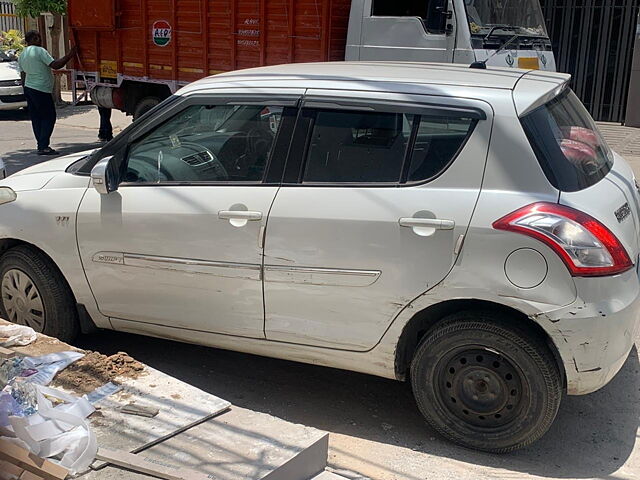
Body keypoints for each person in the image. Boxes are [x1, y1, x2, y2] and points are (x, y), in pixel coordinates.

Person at [18, 30, 77, 155]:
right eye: (38, 38)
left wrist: (25, 90)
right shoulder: (40, 51)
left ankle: (41, 144)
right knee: (49, 117)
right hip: (41, 89)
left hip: (29, 88)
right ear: (33, 39)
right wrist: (70, 55)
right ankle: (44, 146)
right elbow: (55, 65)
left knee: (36, 118)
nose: (40, 40)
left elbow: (23, 73)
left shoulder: (23, 53)